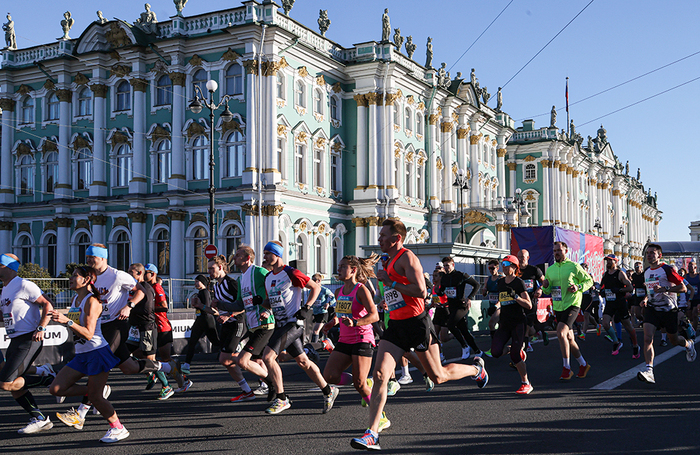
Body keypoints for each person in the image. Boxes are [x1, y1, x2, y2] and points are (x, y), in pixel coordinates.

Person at [351, 220, 488, 451]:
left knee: (438, 376)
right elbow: (397, 290)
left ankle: (477, 369)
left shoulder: (407, 258)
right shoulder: (387, 259)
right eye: (379, 235)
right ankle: (372, 433)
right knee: (381, 374)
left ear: (397, 239)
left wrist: (391, 281)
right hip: (395, 325)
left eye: (384, 235)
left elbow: (421, 291)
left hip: (417, 324)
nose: (379, 239)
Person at [57, 244, 173, 426]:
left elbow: (140, 291)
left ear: (103, 258)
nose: (88, 260)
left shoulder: (117, 275)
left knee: (101, 363)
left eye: (92, 257)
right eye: (87, 257)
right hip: (96, 327)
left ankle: (81, 412)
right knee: (128, 367)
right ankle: (162, 366)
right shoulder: (89, 278)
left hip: (115, 325)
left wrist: (129, 306)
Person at [49, 266, 129, 443]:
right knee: (56, 389)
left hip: (97, 352)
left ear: (86, 280)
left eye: (75, 276)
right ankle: (99, 391)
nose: (70, 278)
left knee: (95, 398)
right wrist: (61, 318)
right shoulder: (75, 299)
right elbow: (76, 328)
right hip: (82, 354)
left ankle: (118, 428)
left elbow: (88, 333)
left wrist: (67, 321)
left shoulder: (92, 301)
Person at [260, 241, 339, 414]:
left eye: (268, 253)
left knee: (268, 356)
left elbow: (315, 287)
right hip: (281, 325)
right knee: (303, 362)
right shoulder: (268, 277)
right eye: (264, 253)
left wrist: (306, 307)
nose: (264, 257)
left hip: (293, 324)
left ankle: (282, 399)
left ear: (278, 254)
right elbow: (272, 302)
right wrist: (262, 305)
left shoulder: (290, 272)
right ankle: (328, 390)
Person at [0, 253, 56, 434]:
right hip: (15, 340)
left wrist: (41, 328)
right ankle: (38, 418)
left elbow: (48, 304)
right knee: (14, 385)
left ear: (8, 268)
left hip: (28, 339)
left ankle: (48, 378)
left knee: (6, 383)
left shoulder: (23, 284)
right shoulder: (5, 289)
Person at [322, 255, 381, 421]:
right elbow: (341, 314)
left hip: (362, 338)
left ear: (353, 270)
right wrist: (332, 322)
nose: (338, 270)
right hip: (344, 339)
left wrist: (356, 322)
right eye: (338, 266)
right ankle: (362, 381)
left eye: (342, 267)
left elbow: (374, 315)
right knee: (330, 376)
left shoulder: (361, 289)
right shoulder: (338, 291)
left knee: (360, 385)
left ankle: (380, 416)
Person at [638, 244, 696, 384]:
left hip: (669, 310)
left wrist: (664, 289)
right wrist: (645, 299)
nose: (649, 255)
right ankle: (649, 371)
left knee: (674, 340)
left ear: (659, 255)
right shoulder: (646, 272)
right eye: (648, 253)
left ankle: (688, 345)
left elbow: (683, 288)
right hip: (652, 309)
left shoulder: (667, 269)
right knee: (647, 338)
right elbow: (650, 290)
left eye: (653, 253)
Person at [227, 245, 275, 403]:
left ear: (247, 258)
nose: (234, 258)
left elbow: (274, 290)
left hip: (265, 324)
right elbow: (239, 305)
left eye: (238, 255)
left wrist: (267, 311)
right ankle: (274, 388)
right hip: (253, 326)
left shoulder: (259, 272)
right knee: (260, 360)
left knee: (242, 361)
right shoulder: (241, 279)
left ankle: (273, 386)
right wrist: (218, 304)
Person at [541, 242, 593, 380]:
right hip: (558, 306)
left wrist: (578, 287)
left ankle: (567, 368)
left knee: (561, 332)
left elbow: (589, 281)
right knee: (569, 338)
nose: (557, 253)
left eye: (559, 250)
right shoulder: (550, 269)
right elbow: (548, 290)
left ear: (566, 251)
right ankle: (583, 364)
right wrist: (545, 286)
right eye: (555, 251)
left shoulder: (574, 266)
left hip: (572, 305)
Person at [124, 263, 174, 399]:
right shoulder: (133, 289)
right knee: (126, 353)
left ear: (139, 273)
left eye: (131, 272)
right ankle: (149, 373)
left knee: (150, 359)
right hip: (135, 328)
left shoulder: (146, 288)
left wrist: (130, 308)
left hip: (147, 328)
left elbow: (148, 310)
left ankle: (166, 386)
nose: (128, 274)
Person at [488, 255, 533, 394]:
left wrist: (516, 297)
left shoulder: (519, 282)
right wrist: (496, 307)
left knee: (515, 356)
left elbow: (529, 305)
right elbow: (502, 299)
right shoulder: (501, 282)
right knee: (495, 352)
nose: (504, 266)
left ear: (514, 267)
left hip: (518, 322)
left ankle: (526, 383)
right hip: (504, 322)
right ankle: (513, 349)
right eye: (503, 263)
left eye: (507, 263)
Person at [146, 264, 187, 394]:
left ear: (152, 274)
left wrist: (149, 309)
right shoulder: (148, 287)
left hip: (163, 327)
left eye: (145, 272)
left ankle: (182, 382)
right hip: (154, 327)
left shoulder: (157, 287)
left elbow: (164, 306)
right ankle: (154, 376)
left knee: (165, 360)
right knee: (148, 356)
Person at [436, 256, 483, 359]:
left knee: (451, 325)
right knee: (464, 330)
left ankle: (464, 346)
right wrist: (438, 283)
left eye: (447, 265)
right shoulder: (444, 277)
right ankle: (477, 351)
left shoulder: (461, 275)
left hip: (461, 306)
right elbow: (441, 292)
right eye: (444, 266)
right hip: (451, 306)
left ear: (453, 265)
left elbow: (477, 285)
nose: (446, 268)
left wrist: (470, 298)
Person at [600, 254, 640, 358]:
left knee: (628, 325)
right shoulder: (605, 275)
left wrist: (620, 290)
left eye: (610, 261)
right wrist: (602, 291)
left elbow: (630, 287)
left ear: (615, 262)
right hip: (610, 303)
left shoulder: (620, 273)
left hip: (620, 303)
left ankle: (635, 345)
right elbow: (602, 287)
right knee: (605, 323)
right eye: (607, 261)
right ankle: (616, 341)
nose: (608, 263)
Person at [182, 274, 221, 377]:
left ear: (202, 282)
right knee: (192, 341)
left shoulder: (205, 292)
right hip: (200, 319)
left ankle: (232, 352)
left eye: (197, 281)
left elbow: (206, 307)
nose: (195, 283)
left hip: (207, 320)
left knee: (215, 341)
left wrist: (198, 305)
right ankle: (186, 365)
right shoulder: (200, 292)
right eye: (195, 281)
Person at [517, 250, 548, 349]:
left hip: (532, 301)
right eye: (519, 257)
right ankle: (541, 330)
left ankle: (526, 347)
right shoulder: (515, 271)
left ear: (528, 258)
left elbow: (544, 282)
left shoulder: (534, 270)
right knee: (526, 327)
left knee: (526, 325)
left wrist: (540, 289)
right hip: (520, 301)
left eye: (523, 257)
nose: (521, 259)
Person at [311, 273, 336, 343]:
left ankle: (313, 345)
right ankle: (324, 344)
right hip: (315, 313)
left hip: (323, 313)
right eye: (311, 280)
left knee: (316, 330)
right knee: (322, 331)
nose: (312, 282)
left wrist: (328, 303)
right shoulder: (311, 290)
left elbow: (333, 298)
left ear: (319, 281)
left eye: (314, 280)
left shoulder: (324, 290)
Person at [579, 263, 601, 339]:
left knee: (586, 315)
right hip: (581, 297)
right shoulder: (578, 277)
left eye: (583, 269)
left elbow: (596, 285)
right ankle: (597, 326)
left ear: (586, 270)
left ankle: (583, 334)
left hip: (589, 297)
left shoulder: (589, 276)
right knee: (587, 315)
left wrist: (594, 286)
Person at [483, 259, 501, 345]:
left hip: (500, 306)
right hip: (491, 305)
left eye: (493, 268)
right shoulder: (487, 279)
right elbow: (484, 294)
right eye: (489, 268)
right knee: (500, 325)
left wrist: (497, 305)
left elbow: (504, 294)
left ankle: (495, 344)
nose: (491, 270)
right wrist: (484, 289)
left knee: (491, 324)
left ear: (497, 268)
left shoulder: (501, 279)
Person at [684, 261, 700, 332]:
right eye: (689, 266)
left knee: (694, 314)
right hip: (688, 298)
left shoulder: (698, 276)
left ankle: (694, 331)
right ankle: (691, 329)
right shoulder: (686, 276)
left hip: (697, 298)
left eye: (691, 266)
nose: (689, 268)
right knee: (689, 316)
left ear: (695, 267)